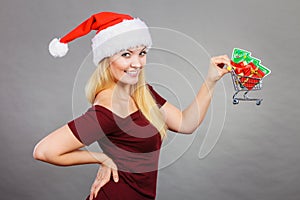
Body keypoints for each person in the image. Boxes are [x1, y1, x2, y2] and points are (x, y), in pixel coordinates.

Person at [33, 12, 230, 200]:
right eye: (126, 54)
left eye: (142, 53)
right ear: (107, 58)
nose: (137, 63)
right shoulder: (108, 109)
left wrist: (211, 80)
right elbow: (44, 151)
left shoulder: (142, 93)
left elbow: (185, 123)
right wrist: (101, 158)